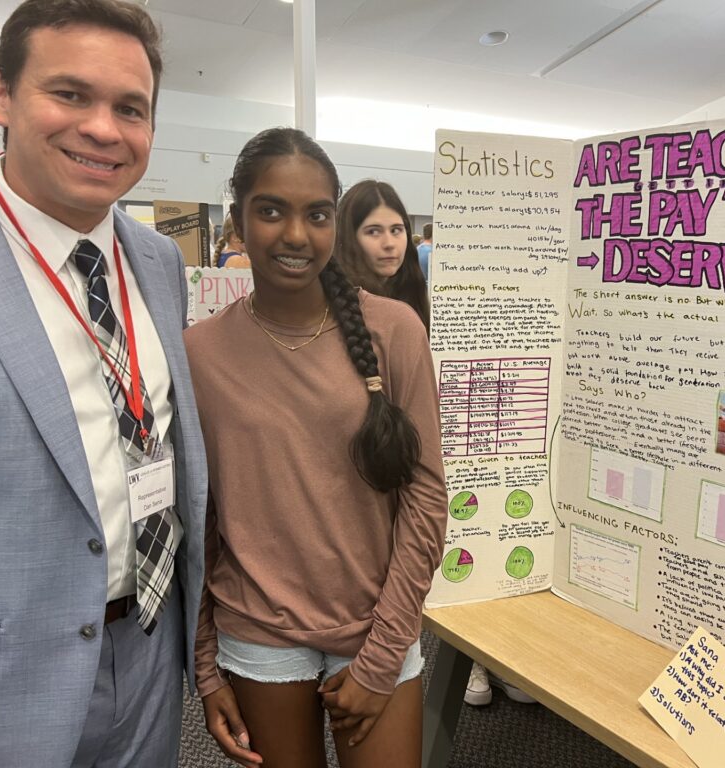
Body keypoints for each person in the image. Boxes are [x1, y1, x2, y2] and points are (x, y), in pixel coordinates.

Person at [0, 1, 207, 766]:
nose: (105, 129)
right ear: (0, 95)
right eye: (71, 94)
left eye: (131, 108)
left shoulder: (157, 263)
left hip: (150, 654)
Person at [186, 128, 447, 768]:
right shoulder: (199, 352)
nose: (296, 235)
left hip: (374, 625)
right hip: (258, 632)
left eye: (317, 214)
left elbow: (426, 498)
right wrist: (206, 666)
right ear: (238, 220)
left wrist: (385, 653)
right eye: (271, 210)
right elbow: (198, 517)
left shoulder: (394, 330)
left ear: (335, 219)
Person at [335, 179, 430, 332]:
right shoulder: (332, 306)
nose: (389, 243)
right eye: (373, 231)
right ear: (348, 237)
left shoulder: (412, 293)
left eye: (396, 230)